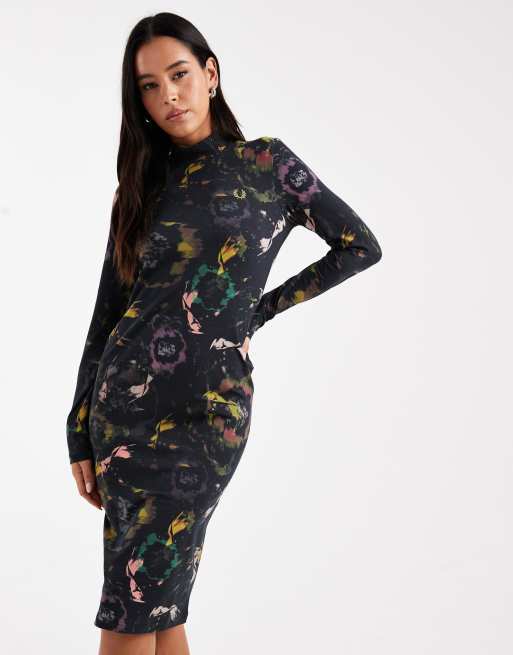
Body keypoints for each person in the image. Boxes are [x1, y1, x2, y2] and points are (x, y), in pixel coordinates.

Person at [66, 11, 383, 655]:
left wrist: (257, 312)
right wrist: (77, 427)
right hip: (124, 412)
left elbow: (359, 245)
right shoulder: (141, 188)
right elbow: (107, 313)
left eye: (179, 75)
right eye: (149, 86)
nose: (168, 95)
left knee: (135, 610)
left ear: (210, 74)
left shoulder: (267, 164)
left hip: (210, 413)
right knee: (156, 608)